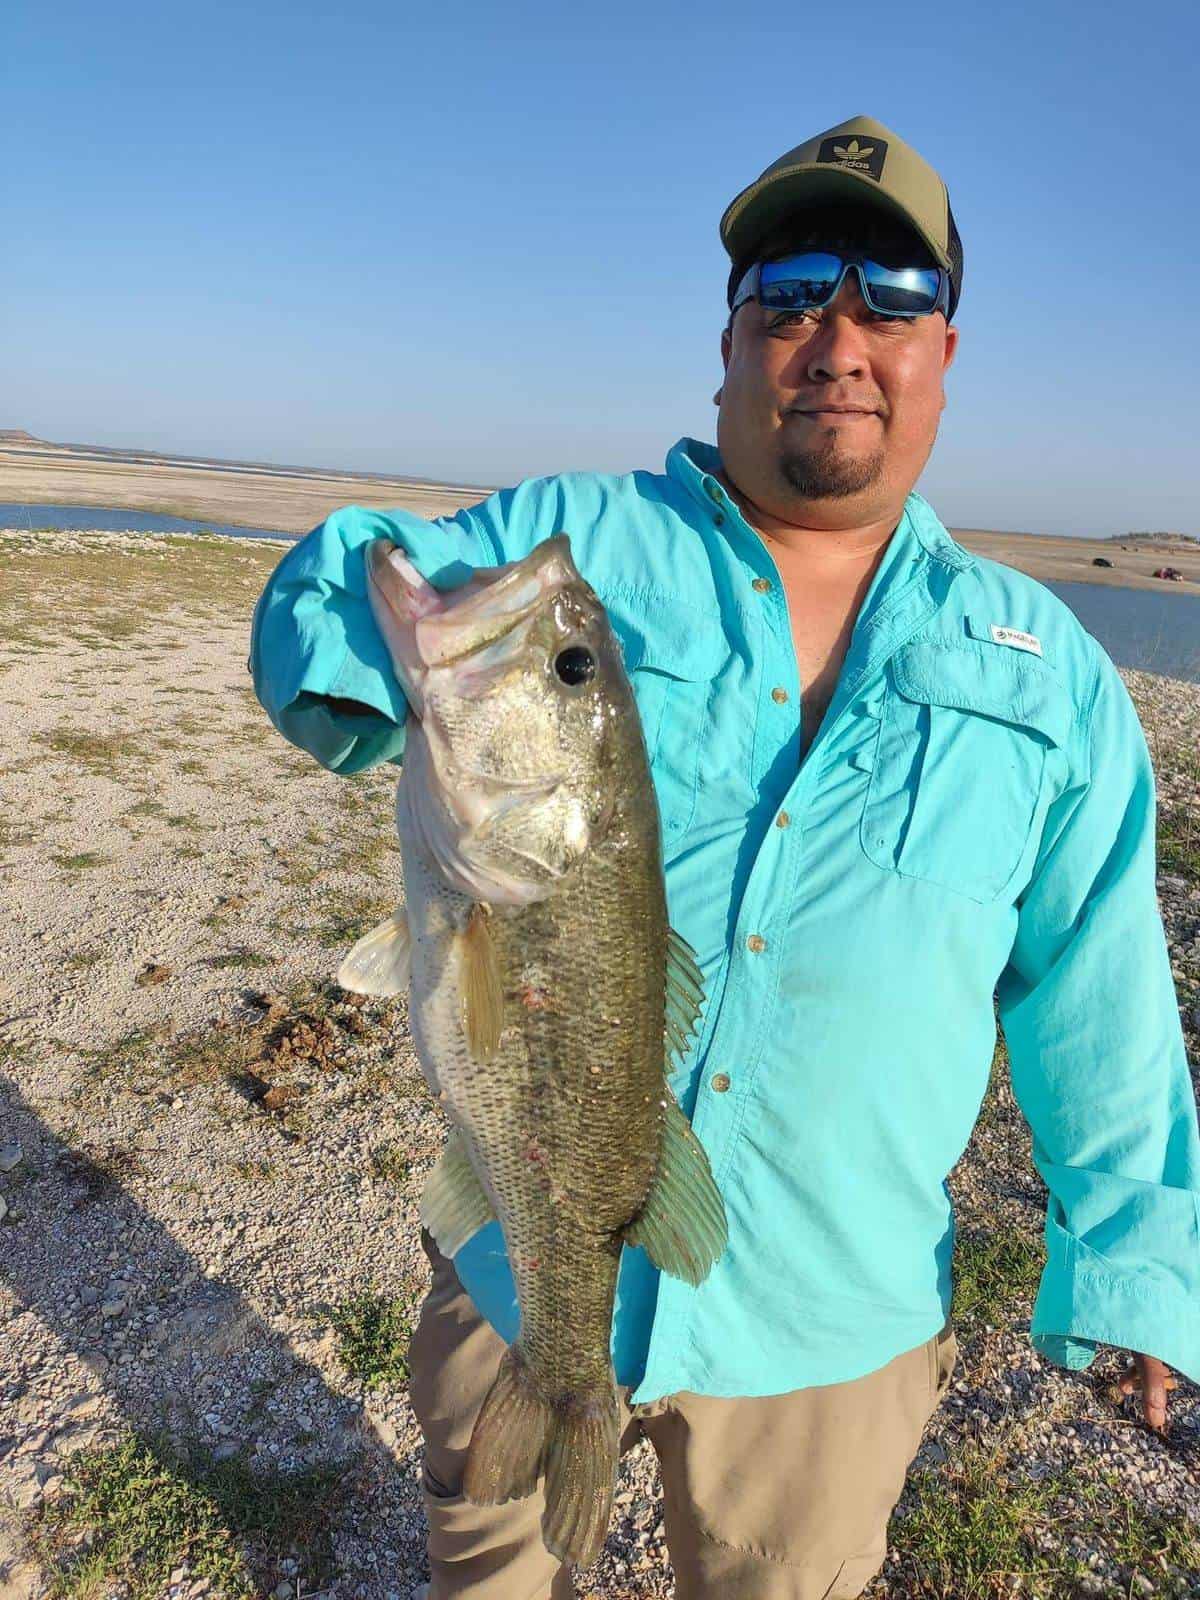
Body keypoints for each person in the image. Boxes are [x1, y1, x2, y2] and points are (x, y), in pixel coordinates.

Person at [249, 115, 1200, 1600]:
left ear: (945, 350)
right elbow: (362, 562)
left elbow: (1103, 993)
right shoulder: (575, 545)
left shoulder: (1052, 675)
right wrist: (370, 639)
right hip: (525, 1265)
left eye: (891, 293)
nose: (839, 331)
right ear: (731, 341)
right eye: (792, 287)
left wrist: (1139, 1262)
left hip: (834, 1322)